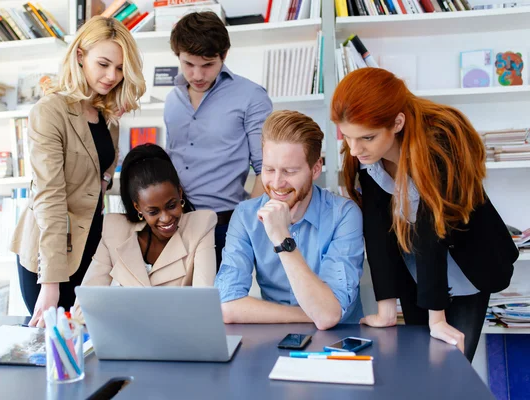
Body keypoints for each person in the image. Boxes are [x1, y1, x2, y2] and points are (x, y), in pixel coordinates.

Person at [331, 67, 518, 361]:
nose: (354, 150)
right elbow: (378, 231)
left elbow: (432, 231)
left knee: (452, 367)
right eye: (348, 137)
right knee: (421, 366)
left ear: (397, 122)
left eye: (366, 137)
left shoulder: (441, 142)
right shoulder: (367, 158)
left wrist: (437, 319)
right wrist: (386, 310)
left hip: (468, 263)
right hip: (417, 268)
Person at [10, 16, 146, 327]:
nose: (112, 75)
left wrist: (104, 180)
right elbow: (50, 200)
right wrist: (50, 283)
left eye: (121, 68)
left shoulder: (107, 114)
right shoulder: (48, 112)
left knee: (89, 341)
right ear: (80, 56)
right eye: (104, 64)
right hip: (51, 252)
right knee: (55, 348)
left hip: (92, 243)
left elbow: (105, 165)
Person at [214, 110, 365, 330]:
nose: (276, 183)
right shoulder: (246, 215)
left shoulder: (344, 214)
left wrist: (281, 237)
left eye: (289, 171)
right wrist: (312, 315)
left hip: (338, 341)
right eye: (269, 169)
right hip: (276, 335)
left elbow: (328, 315)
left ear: (315, 169)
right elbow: (226, 305)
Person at [164, 11, 273, 269]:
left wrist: (244, 228)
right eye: (188, 64)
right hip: (172, 226)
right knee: (177, 307)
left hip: (224, 227)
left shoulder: (251, 97)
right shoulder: (172, 100)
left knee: (223, 306)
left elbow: (266, 171)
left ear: (223, 55)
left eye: (207, 65)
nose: (197, 75)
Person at [72, 144, 217, 319]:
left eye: (171, 205)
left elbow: (203, 308)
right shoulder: (115, 229)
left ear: (179, 193)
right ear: (138, 207)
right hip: (128, 339)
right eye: (153, 211)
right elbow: (82, 310)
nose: (165, 218)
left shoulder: (201, 225)